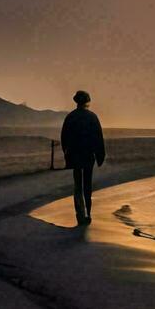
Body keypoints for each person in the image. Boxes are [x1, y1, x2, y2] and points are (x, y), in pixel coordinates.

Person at [60, 90, 105, 225]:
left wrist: (66, 154)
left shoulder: (70, 117)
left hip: (75, 156)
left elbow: (64, 138)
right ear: (87, 101)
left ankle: (80, 213)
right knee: (87, 185)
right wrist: (100, 155)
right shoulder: (92, 117)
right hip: (88, 156)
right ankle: (88, 213)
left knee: (77, 185)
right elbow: (98, 138)